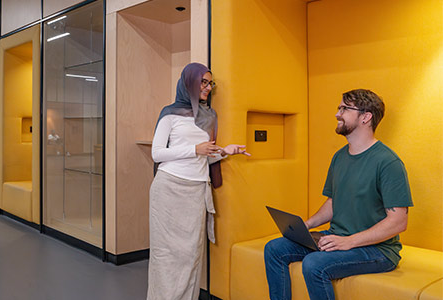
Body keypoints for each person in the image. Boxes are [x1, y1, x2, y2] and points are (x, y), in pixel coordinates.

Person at [264, 89, 413, 300]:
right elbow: (333, 203)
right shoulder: (339, 157)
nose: (337, 114)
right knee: (274, 248)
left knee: (314, 264)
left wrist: (350, 241)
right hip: (339, 237)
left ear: (366, 116)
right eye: (339, 108)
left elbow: (398, 222)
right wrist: (306, 225)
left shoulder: (388, 162)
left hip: (378, 250)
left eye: (344, 108)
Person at [147, 63, 250, 300]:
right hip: (169, 188)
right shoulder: (170, 113)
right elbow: (157, 153)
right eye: (203, 82)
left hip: (196, 191)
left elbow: (206, 154)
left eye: (210, 83)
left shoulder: (209, 115)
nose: (207, 87)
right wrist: (194, 149)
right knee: (166, 256)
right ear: (189, 83)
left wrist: (226, 151)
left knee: (190, 255)